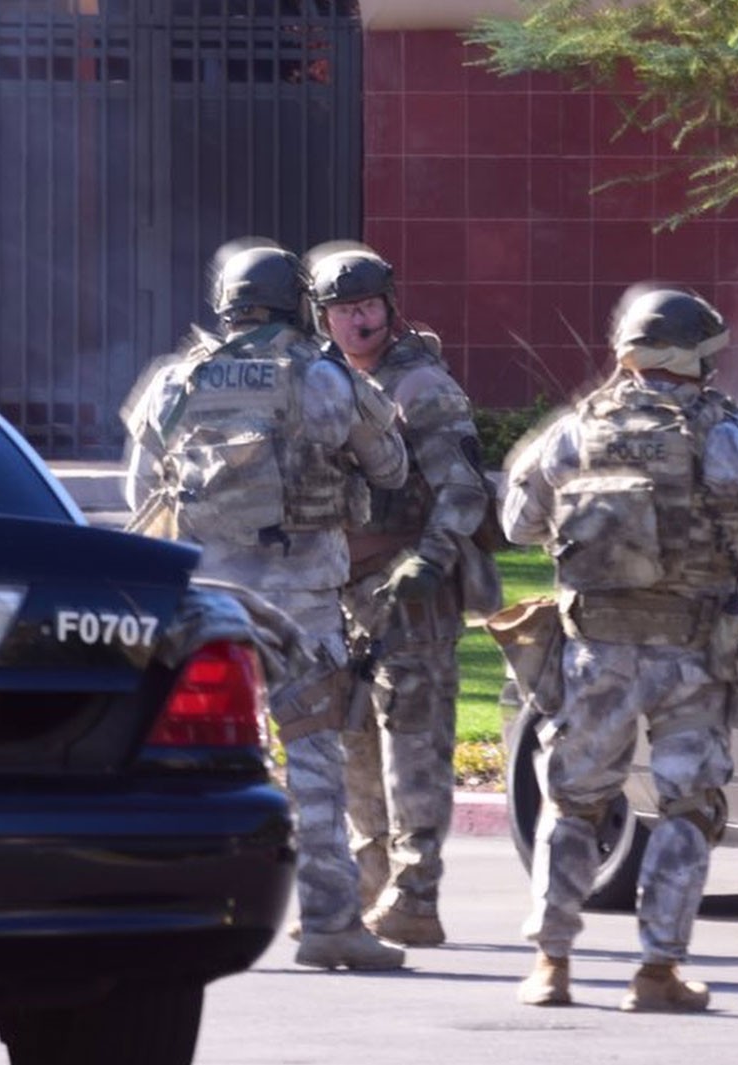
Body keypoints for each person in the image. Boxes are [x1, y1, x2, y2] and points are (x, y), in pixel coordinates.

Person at [500, 286, 738, 1011]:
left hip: (596, 649)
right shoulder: (730, 433)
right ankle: (657, 971)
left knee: (573, 801)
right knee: (687, 806)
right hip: (696, 652)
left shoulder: (574, 430)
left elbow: (517, 522)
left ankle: (551, 963)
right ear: (696, 355)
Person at [122, 237, 411, 971]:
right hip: (302, 600)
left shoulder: (173, 380)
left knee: (181, 756)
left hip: (206, 601)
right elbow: (392, 466)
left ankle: (169, 915)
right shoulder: (321, 377)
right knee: (313, 753)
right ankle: (330, 922)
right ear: (296, 302)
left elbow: (138, 495)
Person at [305, 241, 500, 947]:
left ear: (390, 305)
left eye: (368, 305)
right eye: (343, 308)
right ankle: (369, 886)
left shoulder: (423, 387)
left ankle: (416, 893)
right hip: (343, 591)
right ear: (322, 316)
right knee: (352, 736)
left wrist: (429, 560)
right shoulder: (323, 383)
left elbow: (464, 490)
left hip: (412, 591)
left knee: (412, 742)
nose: (358, 320)